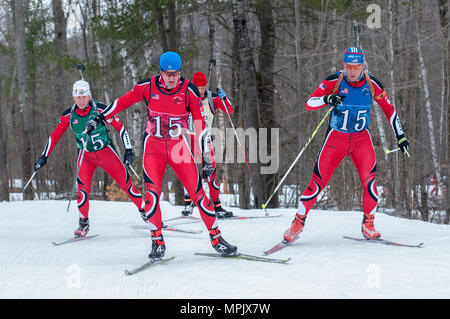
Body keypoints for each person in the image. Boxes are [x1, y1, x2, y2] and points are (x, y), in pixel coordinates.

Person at [83, 51, 237, 259]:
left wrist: (207, 159)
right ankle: (157, 241)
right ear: (161, 72)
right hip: (153, 147)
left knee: (198, 194)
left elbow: (200, 128)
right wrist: (99, 118)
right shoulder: (148, 87)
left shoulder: (189, 91)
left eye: (176, 74)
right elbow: (121, 103)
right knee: (152, 196)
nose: (172, 78)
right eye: (168, 74)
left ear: (180, 73)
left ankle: (217, 239)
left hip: (177, 148)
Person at [283, 47, 410, 242]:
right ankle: (297, 223)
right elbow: (309, 103)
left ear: (362, 66)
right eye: (348, 66)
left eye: (356, 67)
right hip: (336, 139)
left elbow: (390, 110)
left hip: (361, 140)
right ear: (343, 66)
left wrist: (400, 136)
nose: (352, 71)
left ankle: (368, 224)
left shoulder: (372, 84)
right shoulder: (334, 81)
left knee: (370, 183)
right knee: (317, 184)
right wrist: (327, 99)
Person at [34, 80, 144, 237]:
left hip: (106, 153)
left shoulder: (100, 110)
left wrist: (128, 150)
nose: (81, 100)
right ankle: (83, 223)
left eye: (84, 96)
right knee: (83, 191)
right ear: (73, 97)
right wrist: (44, 156)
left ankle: (145, 211)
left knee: (127, 185)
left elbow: (121, 128)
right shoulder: (69, 115)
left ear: (89, 96)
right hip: (85, 157)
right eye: (78, 97)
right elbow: (55, 135)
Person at [181, 71, 234, 218]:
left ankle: (217, 206)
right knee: (188, 171)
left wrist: (224, 98)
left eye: (203, 87)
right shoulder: (187, 97)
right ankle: (188, 204)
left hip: (206, 140)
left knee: (211, 172)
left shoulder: (212, 98)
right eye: (198, 88)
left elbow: (229, 110)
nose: (201, 91)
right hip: (190, 139)